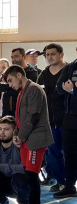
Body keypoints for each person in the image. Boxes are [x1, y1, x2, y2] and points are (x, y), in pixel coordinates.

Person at [3, 65, 53, 204]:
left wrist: (21, 137)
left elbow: (33, 117)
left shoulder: (33, 89)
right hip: (26, 140)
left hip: (35, 140)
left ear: (19, 75)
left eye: (10, 80)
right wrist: (17, 135)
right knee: (29, 177)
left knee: (32, 179)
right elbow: (19, 118)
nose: (10, 84)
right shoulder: (23, 91)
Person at [37, 43, 67, 193]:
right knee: (53, 152)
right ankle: (61, 180)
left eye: (53, 54)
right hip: (50, 121)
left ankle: (69, 182)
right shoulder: (43, 74)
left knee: (68, 152)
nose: (49, 57)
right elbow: (37, 95)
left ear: (61, 55)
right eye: (47, 55)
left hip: (69, 120)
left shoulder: (69, 71)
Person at [54, 45, 77, 198]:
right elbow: (59, 87)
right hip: (71, 116)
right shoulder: (70, 67)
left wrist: (73, 89)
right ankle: (70, 185)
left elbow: (68, 87)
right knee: (69, 152)